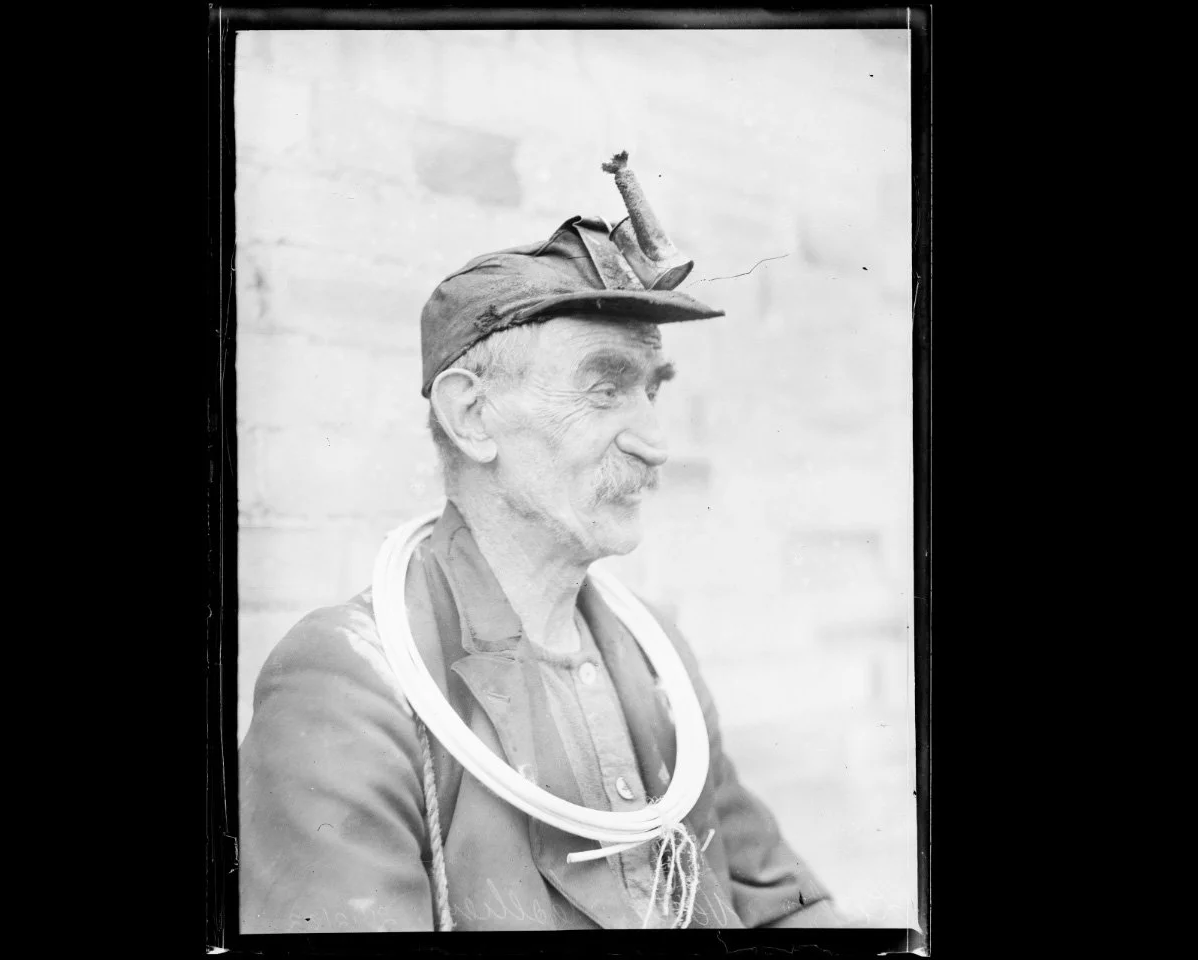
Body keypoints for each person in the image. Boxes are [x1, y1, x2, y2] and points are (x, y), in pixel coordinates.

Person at [239, 154, 842, 932]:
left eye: (651, 389)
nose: (654, 442)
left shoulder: (657, 661)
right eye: (604, 387)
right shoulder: (353, 682)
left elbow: (787, 908)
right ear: (474, 417)